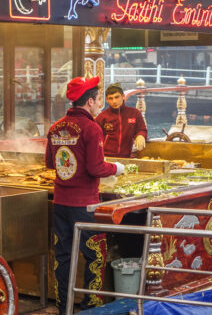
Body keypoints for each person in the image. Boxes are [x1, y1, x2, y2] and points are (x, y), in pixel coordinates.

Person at [45, 76, 125, 314]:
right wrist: (116, 168)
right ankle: (91, 306)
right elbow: (96, 168)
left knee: (64, 257)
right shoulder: (91, 128)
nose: (100, 102)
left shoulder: (55, 127)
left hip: (60, 203)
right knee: (95, 255)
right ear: (90, 101)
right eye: (99, 98)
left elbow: (51, 163)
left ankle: (64, 307)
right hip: (85, 206)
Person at [96, 83, 147, 158]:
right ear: (107, 100)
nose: (114, 101)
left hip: (126, 157)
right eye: (110, 98)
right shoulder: (102, 117)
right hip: (105, 157)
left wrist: (141, 136)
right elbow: (95, 138)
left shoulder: (134, 113)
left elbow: (142, 129)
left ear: (123, 96)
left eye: (117, 97)